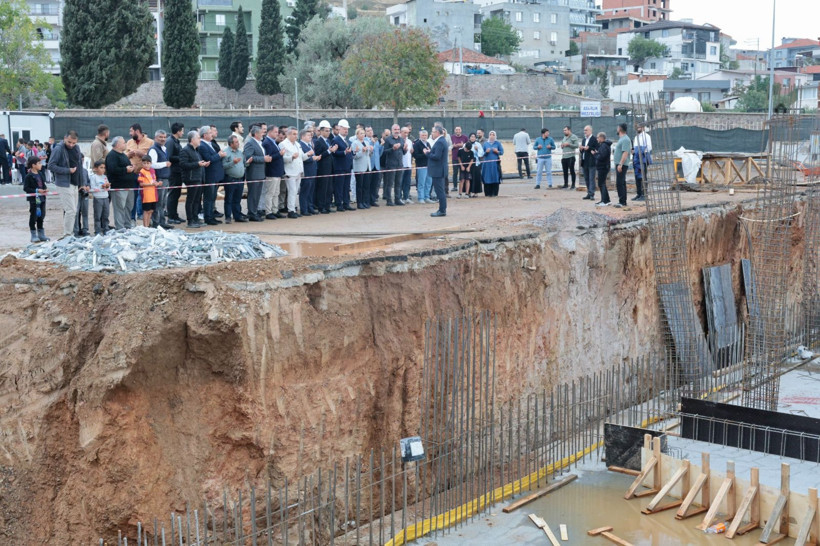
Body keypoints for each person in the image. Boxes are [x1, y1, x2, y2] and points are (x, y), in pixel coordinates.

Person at [47, 130, 82, 238]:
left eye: (73, 143)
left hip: (75, 182)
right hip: (64, 183)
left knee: (74, 211)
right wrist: (67, 170)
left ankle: (71, 233)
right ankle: (67, 235)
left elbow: (79, 165)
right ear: (64, 138)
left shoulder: (77, 148)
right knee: (70, 210)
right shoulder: (58, 149)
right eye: (69, 142)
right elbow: (51, 166)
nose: (71, 145)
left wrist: (82, 182)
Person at [125, 124, 154, 225]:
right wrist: (129, 154)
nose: (130, 133)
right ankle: (132, 218)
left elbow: (152, 158)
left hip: (146, 175)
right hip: (133, 174)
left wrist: (142, 154)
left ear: (137, 131)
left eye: (131, 131)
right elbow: (124, 156)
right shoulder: (129, 142)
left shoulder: (150, 142)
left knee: (147, 196)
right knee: (132, 197)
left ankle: (147, 218)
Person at [197, 126, 225, 225]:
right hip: (209, 175)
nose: (212, 134)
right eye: (209, 133)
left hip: (215, 175)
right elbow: (208, 158)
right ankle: (208, 217)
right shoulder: (202, 145)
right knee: (208, 198)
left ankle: (211, 215)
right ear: (205, 135)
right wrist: (219, 155)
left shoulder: (210, 144)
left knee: (212, 197)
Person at [180, 130, 207, 228]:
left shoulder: (196, 150)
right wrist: (197, 164)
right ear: (192, 139)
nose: (200, 140)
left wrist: (202, 164)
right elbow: (183, 164)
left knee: (197, 200)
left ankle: (195, 218)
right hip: (191, 179)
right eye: (198, 138)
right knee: (191, 200)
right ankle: (190, 220)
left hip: (198, 178)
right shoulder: (185, 150)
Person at [281, 126, 309, 218]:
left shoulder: (297, 144)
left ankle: (293, 208)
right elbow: (282, 158)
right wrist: (292, 157)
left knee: (295, 191)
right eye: (294, 134)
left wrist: (308, 155)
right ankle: (291, 210)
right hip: (290, 172)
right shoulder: (283, 144)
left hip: (298, 171)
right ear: (288, 134)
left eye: (296, 134)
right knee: (292, 191)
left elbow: (301, 157)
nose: (296, 136)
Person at [244, 125, 270, 222]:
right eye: (261, 133)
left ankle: (254, 211)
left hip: (260, 172)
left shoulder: (260, 143)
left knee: (257, 194)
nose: (263, 134)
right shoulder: (250, 143)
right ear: (255, 134)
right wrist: (263, 159)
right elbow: (248, 157)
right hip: (253, 173)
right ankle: (252, 213)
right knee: (253, 194)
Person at [222, 134, 247, 223]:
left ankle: (237, 216)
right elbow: (223, 166)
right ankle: (228, 217)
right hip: (230, 179)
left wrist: (247, 163)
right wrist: (233, 162)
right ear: (231, 143)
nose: (238, 143)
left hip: (240, 179)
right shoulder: (226, 153)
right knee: (229, 199)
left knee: (237, 199)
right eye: (236, 142)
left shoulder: (240, 152)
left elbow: (244, 163)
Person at [24, 156, 49, 242]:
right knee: (33, 216)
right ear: (33, 165)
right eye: (39, 163)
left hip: (42, 198)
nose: (41, 165)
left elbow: (43, 184)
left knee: (41, 216)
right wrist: (37, 190)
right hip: (34, 200)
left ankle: (41, 234)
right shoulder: (29, 176)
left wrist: (45, 189)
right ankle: (33, 234)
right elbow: (26, 188)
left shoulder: (40, 174)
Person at [262, 126, 285, 219]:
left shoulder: (273, 142)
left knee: (276, 192)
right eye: (275, 132)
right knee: (270, 193)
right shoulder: (267, 143)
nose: (277, 134)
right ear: (270, 132)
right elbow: (269, 157)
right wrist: (279, 154)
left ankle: (275, 210)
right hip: (271, 172)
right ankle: (268, 211)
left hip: (277, 171)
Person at [331, 119, 354, 211]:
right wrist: (344, 152)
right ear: (339, 128)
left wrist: (353, 152)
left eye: (347, 129)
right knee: (339, 187)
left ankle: (346, 203)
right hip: (339, 167)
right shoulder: (335, 139)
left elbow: (349, 153)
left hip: (347, 166)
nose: (346, 131)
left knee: (346, 186)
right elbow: (334, 153)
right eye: (344, 129)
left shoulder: (347, 140)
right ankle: (339, 204)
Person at [165, 123, 186, 224]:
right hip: (173, 172)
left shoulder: (176, 141)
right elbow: (168, 156)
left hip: (178, 171)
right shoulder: (170, 141)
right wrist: (181, 158)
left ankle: (175, 215)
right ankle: (171, 216)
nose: (183, 132)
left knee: (176, 194)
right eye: (182, 130)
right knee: (173, 194)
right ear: (178, 131)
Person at [313, 120, 334, 214]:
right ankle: (321, 206)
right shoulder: (318, 141)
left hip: (329, 167)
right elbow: (318, 155)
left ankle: (327, 205)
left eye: (329, 130)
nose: (328, 132)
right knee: (323, 188)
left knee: (329, 188)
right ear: (320, 131)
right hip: (322, 168)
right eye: (326, 130)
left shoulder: (328, 141)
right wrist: (329, 151)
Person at [428, 125, 449, 217]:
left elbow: (437, 156)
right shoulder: (441, 141)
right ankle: (442, 209)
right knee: (440, 190)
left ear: (437, 132)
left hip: (438, 170)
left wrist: (427, 153)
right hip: (439, 169)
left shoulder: (440, 142)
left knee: (440, 191)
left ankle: (442, 210)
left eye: (433, 132)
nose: (431, 133)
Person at [382, 124, 404, 206]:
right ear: (392, 130)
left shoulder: (401, 140)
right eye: (395, 129)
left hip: (399, 164)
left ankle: (397, 199)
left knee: (398, 183)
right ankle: (389, 200)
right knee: (389, 183)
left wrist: (405, 149)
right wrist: (392, 149)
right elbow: (384, 152)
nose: (397, 131)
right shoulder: (388, 139)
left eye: (398, 129)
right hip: (391, 164)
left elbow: (403, 152)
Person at [350, 127, 372, 209]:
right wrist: (362, 151)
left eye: (363, 133)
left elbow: (368, 155)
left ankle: (365, 201)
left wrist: (370, 150)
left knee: (366, 185)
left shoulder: (367, 142)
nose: (363, 135)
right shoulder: (354, 143)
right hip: (359, 167)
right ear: (357, 135)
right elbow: (354, 156)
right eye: (361, 133)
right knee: (359, 186)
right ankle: (359, 202)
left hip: (367, 167)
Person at [299, 128, 319, 215]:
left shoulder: (309, 145)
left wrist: (315, 158)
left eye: (310, 135)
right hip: (306, 171)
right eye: (308, 135)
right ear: (302, 136)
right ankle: (304, 209)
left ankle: (310, 207)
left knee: (311, 191)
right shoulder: (301, 145)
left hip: (312, 170)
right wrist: (312, 158)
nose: (310, 136)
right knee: (305, 191)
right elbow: (302, 158)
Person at [138, 155, 161, 228]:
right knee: (146, 210)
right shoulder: (142, 171)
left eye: (148, 163)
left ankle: (148, 224)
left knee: (151, 210)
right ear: (142, 164)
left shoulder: (153, 170)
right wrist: (151, 184)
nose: (146, 165)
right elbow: (141, 183)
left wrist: (157, 183)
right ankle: (145, 226)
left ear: (151, 163)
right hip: (146, 194)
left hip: (153, 194)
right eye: (144, 163)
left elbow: (154, 181)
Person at [88, 160, 110, 235]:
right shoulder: (93, 177)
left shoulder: (105, 177)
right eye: (101, 167)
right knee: (98, 215)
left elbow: (108, 188)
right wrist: (101, 186)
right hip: (98, 198)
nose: (103, 169)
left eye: (104, 168)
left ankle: (106, 229)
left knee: (106, 214)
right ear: (96, 168)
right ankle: (97, 230)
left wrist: (107, 186)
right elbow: (93, 188)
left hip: (105, 197)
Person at [613, 123, 632, 208]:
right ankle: (623, 200)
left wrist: (620, 164)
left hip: (622, 164)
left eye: (617, 128)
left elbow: (625, 152)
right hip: (619, 164)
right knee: (622, 182)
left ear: (620, 129)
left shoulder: (625, 139)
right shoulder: (622, 139)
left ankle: (622, 201)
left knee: (619, 183)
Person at [632, 123, 652, 202]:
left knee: (643, 176)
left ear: (643, 128)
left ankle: (644, 194)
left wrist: (641, 151)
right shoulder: (636, 137)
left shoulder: (646, 136)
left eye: (639, 127)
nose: (638, 128)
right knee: (637, 177)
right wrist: (634, 151)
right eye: (637, 127)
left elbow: (649, 147)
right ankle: (639, 194)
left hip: (643, 158)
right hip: (636, 159)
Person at [579, 125, 599, 201]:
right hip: (584, 161)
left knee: (591, 178)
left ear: (590, 131)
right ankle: (588, 192)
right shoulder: (584, 139)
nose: (585, 132)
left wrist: (589, 148)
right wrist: (581, 149)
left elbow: (597, 149)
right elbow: (583, 151)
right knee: (586, 178)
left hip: (591, 161)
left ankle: (592, 194)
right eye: (584, 130)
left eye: (586, 130)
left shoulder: (594, 139)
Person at [413, 130, 433, 204]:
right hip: (421, 166)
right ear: (420, 136)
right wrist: (425, 154)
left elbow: (430, 153)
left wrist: (428, 152)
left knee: (429, 182)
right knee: (421, 182)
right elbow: (415, 155)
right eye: (422, 135)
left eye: (425, 135)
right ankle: (421, 197)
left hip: (429, 165)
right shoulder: (417, 144)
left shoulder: (428, 144)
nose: (424, 137)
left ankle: (427, 196)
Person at [481, 131, 504, 197]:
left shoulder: (498, 143)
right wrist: (486, 152)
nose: (491, 136)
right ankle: (488, 193)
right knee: (487, 177)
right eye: (490, 135)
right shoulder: (485, 144)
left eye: (493, 135)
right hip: (487, 164)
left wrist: (497, 152)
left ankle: (495, 192)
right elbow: (482, 153)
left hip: (495, 164)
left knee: (495, 176)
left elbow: (502, 152)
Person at [73, 154, 91, 237]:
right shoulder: (73, 171)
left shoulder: (85, 171)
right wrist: (79, 188)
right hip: (76, 194)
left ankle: (85, 229)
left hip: (85, 194)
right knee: (76, 213)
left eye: (83, 160)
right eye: (80, 160)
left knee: (85, 212)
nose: (82, 162)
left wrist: (88, 186)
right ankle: (76, 230)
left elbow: (88, 181)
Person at [594, 132, 612, 207]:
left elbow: (602, 156)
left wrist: (595, 154)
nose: (597, 139)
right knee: (602, 183)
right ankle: (605, 200)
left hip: (603, 167)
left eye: (598, 137)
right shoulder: (603, 145)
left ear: (601, 138)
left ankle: (605, 201)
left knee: (601, 184)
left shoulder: (604, 145)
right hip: (602, 167)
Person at [365, 126, 381, 208]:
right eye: (368, 131)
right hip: (369, 165)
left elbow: (379, 152)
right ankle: (367, 200)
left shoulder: (376, 140)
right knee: (368, 184)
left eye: (371, 130)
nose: (370, 132)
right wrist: (372, 143)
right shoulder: (365, 141)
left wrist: (381, 145)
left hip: (376, 165)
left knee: (375, 184)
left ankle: (373, 199)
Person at [449, 126, 467, 192]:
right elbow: (449, 146)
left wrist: (463, 145)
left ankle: (463, 186)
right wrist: (453, 146)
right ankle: (455, 186)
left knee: (463, 172)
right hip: (454, 157)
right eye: (456, 130)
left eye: (459, 129)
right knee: (455, 172)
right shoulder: (451, 137)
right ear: (454, 130)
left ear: (461, 130)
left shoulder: (465, 137)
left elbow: (468, 145)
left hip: (463, 158)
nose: (458, 131)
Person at [400, 126, 413, 204]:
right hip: (401, 165)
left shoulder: (409, 141)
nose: (406, 134)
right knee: (400, 182)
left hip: (408, 164)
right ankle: (399, 197)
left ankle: (406, 196)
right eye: (404, 132)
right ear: (401, 132)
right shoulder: (399, 140)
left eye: (407, 133)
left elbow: (410, 152)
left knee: (407, 182)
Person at [468, 133, 483, 198]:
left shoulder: (478, 144)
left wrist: (477, 149)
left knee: (476, 177)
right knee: (469, 178)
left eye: (474, 137)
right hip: (468, 163)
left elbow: (481, 154)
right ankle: (468, 192)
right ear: (469, 138)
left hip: (476, 162)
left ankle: (476, 192)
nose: (472, 138)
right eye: (471, 137)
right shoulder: (466, 144)